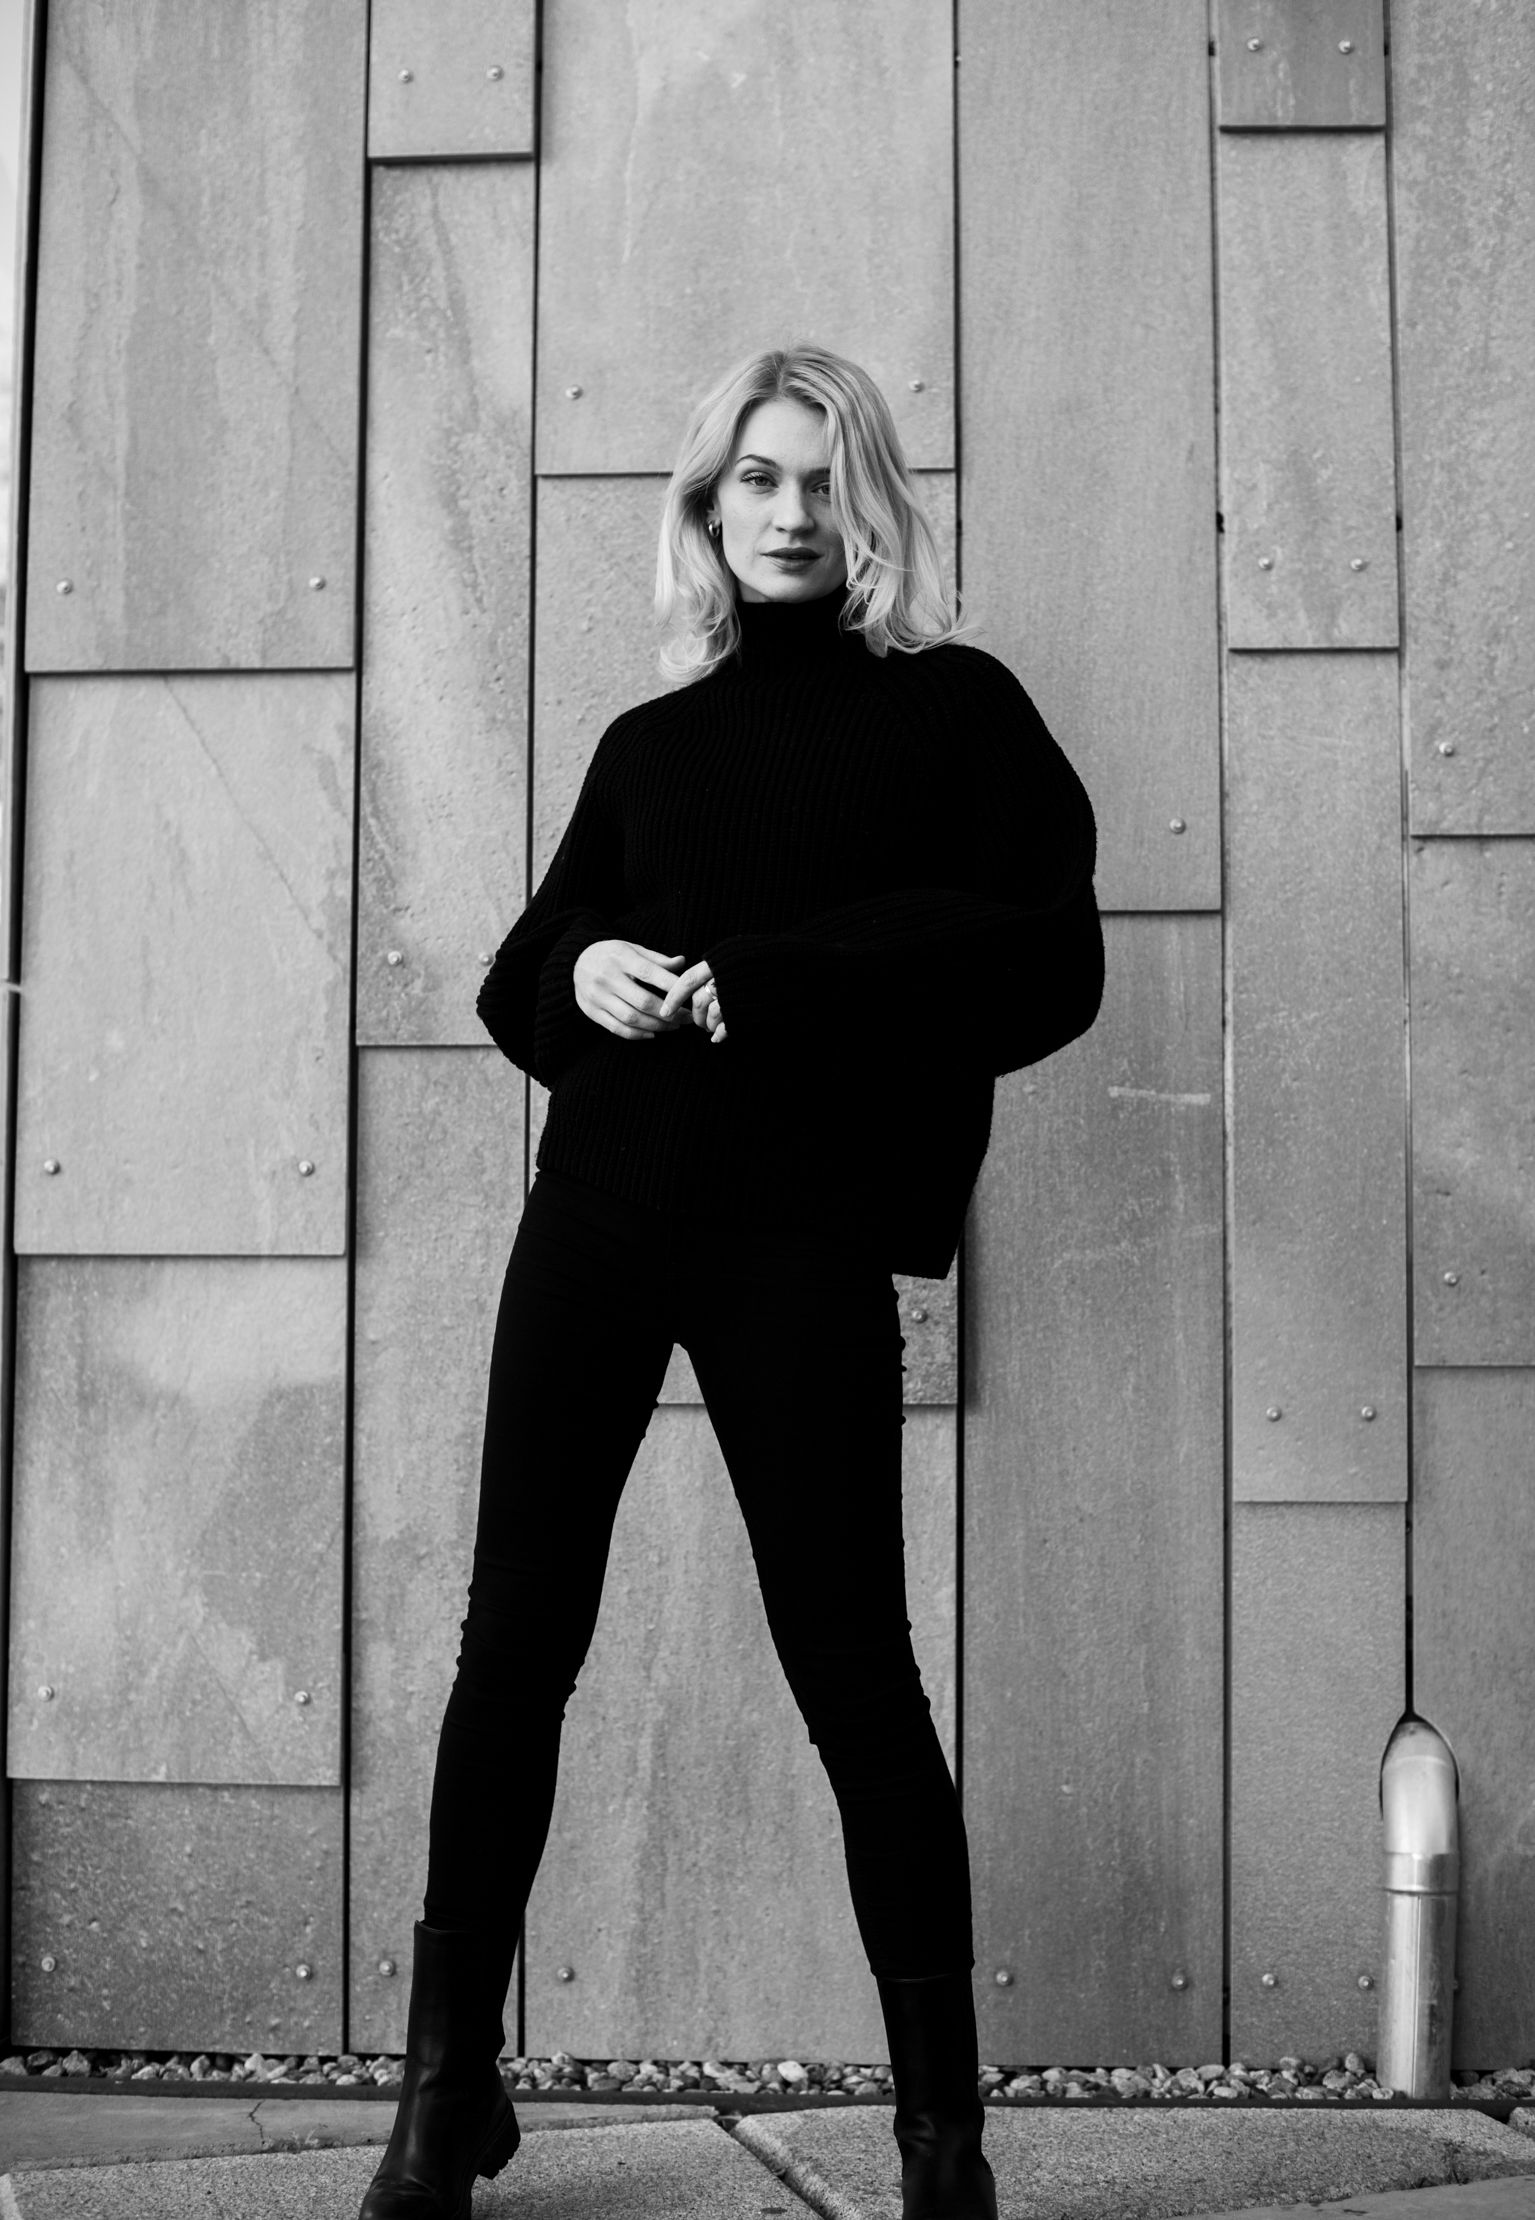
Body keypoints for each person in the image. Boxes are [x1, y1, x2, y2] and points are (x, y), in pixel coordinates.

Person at [359, 343, 1103, 2220]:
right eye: (754, 481)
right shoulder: (651, 745)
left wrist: (784, 979)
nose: (787, 513)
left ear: (873, 504)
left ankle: (942, 2143)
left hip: (798, 1238)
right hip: (599, 1216)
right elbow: (518, 977)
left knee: (855, 1671)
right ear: (707, 508)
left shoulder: (957, 714)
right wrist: (584, 970)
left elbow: (1047, 960)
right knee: (513, 1650)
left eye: (821, 480)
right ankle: (442, 2096)